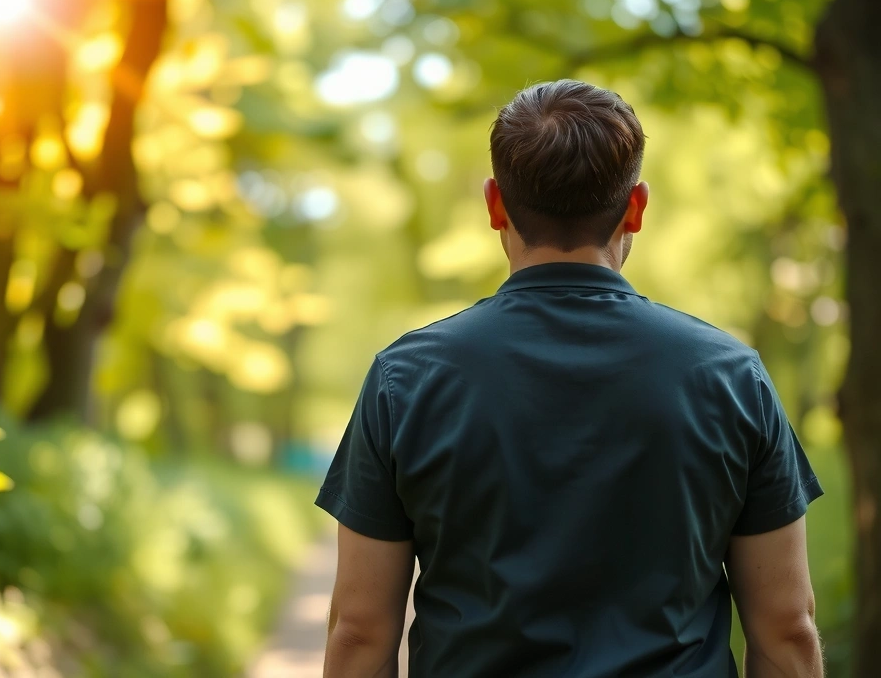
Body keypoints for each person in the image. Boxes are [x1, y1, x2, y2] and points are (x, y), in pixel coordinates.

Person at [315, 79, 825, 678]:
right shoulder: (732, 378)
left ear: (494, 204)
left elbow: (360, 631)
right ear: (635, 208)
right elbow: (788, 631)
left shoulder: (406, 380)